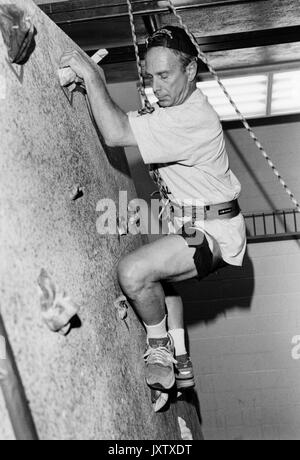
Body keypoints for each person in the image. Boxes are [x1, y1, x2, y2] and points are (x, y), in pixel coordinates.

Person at [60, 25, 247, 411]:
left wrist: (93, 77)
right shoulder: (176, 108)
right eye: (149, 76)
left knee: (134, 272)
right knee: (161, 277)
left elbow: (115, 132)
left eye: (165, 76)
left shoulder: (192, 118)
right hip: (190, 219)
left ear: (191, 69)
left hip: (211, 231)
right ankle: (181, 360)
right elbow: (126, 122)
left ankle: (159, 348)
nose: (156, 86)